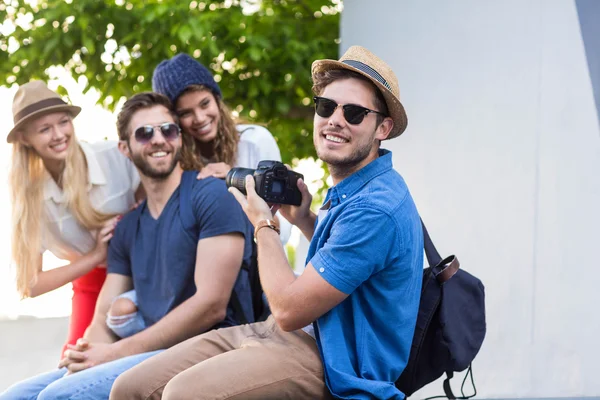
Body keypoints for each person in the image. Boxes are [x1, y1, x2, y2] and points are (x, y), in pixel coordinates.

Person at [110, 46, 424, 400]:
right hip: (285, 333)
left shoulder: (375, 208)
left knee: (184, 394)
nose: (335, 120)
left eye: (354, 113)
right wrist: (304, 219)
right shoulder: (357, 184)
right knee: (130, 388)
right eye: (326, 106)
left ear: (383, 127)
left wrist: (264, 225)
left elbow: (289, 309)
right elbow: (345, 264)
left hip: (334, 361)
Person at [0, 92, 255, 400]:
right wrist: (86, 354)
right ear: (124, 148)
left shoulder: (211, 195)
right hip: (148, 349)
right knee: (17, 395)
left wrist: (111, 355)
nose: (158, 139)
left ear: (178, 137)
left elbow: (211, 305)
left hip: (205, 345)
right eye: (144, 133)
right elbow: (102, 317)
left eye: (168, 129)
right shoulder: (127, 227)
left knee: (58, 396)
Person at [6, 80, 140, 357]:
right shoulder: (31, 200)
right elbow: (30, 283)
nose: (58, 134)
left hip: (144, 270)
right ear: (24, 138)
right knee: (74, 360)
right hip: (91, 280)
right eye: (45, 129)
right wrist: (94, 256)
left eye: (63, 122)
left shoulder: (113, 156)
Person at [152, 53, 291, 244]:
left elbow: (284, 230)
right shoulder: (171, 161)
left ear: (217, 100)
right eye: (185, 113)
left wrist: (239, 182)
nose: (200, 118)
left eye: (205, 103)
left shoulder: (255, 141)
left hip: (259, 262)